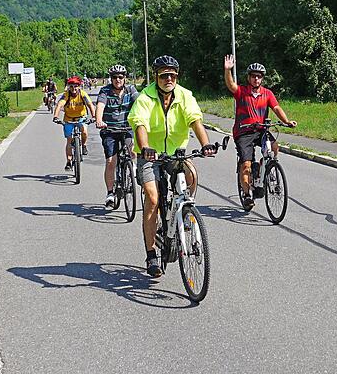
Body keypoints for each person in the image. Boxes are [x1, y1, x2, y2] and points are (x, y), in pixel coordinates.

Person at [128, 55, 216, 278]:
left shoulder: (185, 96)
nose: (169, 79)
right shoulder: (145, 98)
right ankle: (151, 254)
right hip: (150, 154)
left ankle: (184, 213)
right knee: (153, 198)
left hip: (176, 152)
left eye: (173, 75)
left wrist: (205, 144)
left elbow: (195, 120)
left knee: (192, 174)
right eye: (164, 75)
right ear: (156, 76)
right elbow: (139, 124)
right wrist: (145, 146)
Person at [224, 54, 297, 210]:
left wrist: (286, 121)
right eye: (254, 76)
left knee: (274, 147)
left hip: (261, 129)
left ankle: (266, 168)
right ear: (249, 77)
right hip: (244, 132)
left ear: (262, 78)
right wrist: (227, 70)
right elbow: (231, 85)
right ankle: (247, 195)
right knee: (246, 165)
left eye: (259, 77)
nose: (256, 79)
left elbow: (276, 108)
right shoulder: (242, 91)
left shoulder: (267, 93)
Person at [96, 64, 139, 207]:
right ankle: (110, 193)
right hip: (109, 130)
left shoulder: (130, 89)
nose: (118, 80)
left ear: (125, 78)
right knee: (111, 161)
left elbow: (139, 103)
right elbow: (100, 106)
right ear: (111, 79)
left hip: (127, 128)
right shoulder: (105, 91)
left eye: (120, 77)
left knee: (132, 150)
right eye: (114, 77)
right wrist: (99, 120)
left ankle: (130, 169)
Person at [53, 75, 96, 170]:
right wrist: (56, 116)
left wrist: (94, 116)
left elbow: (90, 105)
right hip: (68, 118)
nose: (73, 89)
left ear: (79, 86)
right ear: (69, 87)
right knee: (69, 140)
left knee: (84, 131)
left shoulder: (83, 94)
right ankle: (68, 161)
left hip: (81, 117)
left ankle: (84, 145)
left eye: (75, 86)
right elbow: (60, 105)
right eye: (71, 86)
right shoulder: (66, 95)